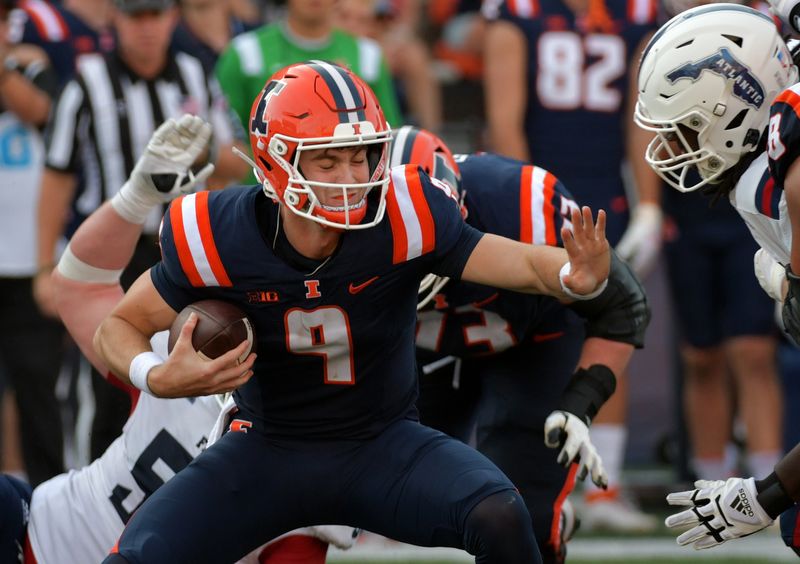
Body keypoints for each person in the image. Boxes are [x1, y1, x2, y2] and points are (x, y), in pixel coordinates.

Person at [95, 61, 610, 564]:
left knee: (500, 513)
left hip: (382, 446)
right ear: (277, 161)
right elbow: (119, 326)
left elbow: (516, 260)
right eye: (328, 161)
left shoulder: (406, 212)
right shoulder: (220, 235)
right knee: (139, 554)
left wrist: (572, 274)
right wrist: (155, 375)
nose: (351, 176)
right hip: (264, 451)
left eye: (360, 156)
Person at [0, 114, 357, 564]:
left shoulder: (308, 449)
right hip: (31, 529)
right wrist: (137, 198)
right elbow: (78, 288)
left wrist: (136, 199)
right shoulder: (188, 354)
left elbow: (79, 285)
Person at [390, 126, 650, 563]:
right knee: (398, 495)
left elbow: (624, 308)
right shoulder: (339, 221)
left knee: (522, 518)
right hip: (422, 348)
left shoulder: (524, 203)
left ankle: (549, 518)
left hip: (535, 339)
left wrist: (580, 402)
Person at [35, 0, 247, 458]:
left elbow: (229, 159)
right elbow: (57, 175)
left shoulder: (196, 72)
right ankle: (98, 478)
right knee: (105, 383)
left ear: (173, 17)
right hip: (114, 254)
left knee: (194, 372)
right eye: (136, 16)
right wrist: (42, 264)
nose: (147, 28)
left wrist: (213, 154)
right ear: (116, 19)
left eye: (156, 15)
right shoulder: (87, 82)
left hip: (186, 252)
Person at [481, 0, 661, 531]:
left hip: (606, 193)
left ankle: (605, 489)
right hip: (536, 195)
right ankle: (527, 481)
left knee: (614, 324)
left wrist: (647, 204)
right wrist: (526, 204)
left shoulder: (637, 12)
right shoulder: (518, 12)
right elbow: (504, 122)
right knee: (536, 335)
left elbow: (644, 117)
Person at [633, 2, 800, 551]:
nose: (676, 148)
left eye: (687, 129)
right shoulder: (766, 176)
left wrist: (769, 493)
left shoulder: (780, 187)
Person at [0, 0, 65, 487]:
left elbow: (43, 110)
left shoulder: (32, 68)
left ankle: (46, 507)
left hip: (28, 264)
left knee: (39, 393)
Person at [215, 0, 402, 137]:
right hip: (261, 185)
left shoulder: (368, 54)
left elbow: (387, 133)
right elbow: (228, 139)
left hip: (347, 184)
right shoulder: (246, 52)